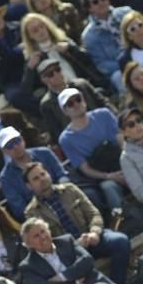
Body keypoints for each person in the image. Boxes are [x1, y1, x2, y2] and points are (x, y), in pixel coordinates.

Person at [22, 161, 130, 284]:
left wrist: (94, 232)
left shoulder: (69, 189)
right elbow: (43, 241)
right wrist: (74, 246)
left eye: (43, 174)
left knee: (120, 241)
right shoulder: (32, 212)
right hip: (68, 254)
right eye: (36, 178)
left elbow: (93, 213)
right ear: (29, 186)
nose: (42, 179)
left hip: (91, 238)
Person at [57, 89, 128, 220]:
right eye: (70, 104)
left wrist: (128, 166)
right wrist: (109, 176)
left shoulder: (104, 114)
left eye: (78, 99)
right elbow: (85, 168)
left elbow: (122, 142)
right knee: (109, 188)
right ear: (65, 111)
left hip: (125, 161)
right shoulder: (66, 139)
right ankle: (121, 222)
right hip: (104, 175)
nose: (76, 104)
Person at [19, 13, 102, 94]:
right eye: (35, 30)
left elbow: (88, 60)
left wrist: (71, 49)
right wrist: (30, 69)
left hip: (83, 86)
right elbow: (26, 90)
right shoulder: (33, 58)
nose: (41, 31)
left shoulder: (63, 41)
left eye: (42, 26)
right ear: (30, 36)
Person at [37, 58, 114, 144]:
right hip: (79, 139)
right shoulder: (47, 104)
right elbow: (56, 131)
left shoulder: (81, 84)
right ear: (43, 80)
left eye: (58, 70)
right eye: (50, 74)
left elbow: (103, 103)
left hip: (101, 127)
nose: (56, 74)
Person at [0, 126, 69, 220]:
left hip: (63, 198)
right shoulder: (6, 177)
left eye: (16, 141)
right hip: (39, 214)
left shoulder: (44, 152)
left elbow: (62, 175)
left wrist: (63, 194)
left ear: (23, 139)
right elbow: (19, 208)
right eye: (9, 145)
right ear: (4, 151)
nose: (15, 147)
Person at [81, 0, 133, 94]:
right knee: (117, 77)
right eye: (95, 2)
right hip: (120, 68)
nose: (100, 3)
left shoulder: (127, 13)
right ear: (89, 8)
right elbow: (102, 64)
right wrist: (126, 64)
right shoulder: (89, 36)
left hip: (142, 53)